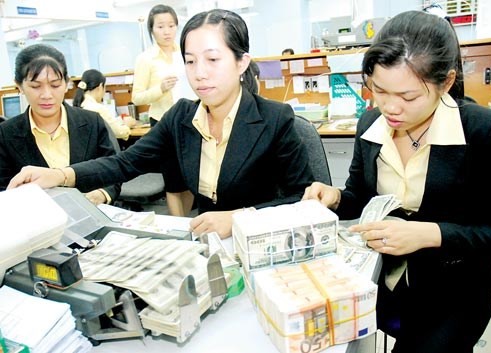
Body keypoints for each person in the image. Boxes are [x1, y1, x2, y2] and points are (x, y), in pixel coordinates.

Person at [8, 9, 314, 239]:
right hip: (208, 242)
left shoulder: (276, 118)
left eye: (212, 60)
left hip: (265, 241)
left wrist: (239, 218)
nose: (199, 73)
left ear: (241, 62)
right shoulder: (181, 117)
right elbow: (124, 163)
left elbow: (302, 200)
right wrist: (59, 175)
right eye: (191, 61)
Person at [302, 10, 491, 353]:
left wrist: (432, 233)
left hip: (453, 291)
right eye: (378, 90)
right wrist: (334, 197)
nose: (390, 108)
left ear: (447, 82)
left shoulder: (484, 133)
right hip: (383, 279)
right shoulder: (370, 125)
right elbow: (361, 197)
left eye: (408, 97)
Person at [0, 44, 121, 205]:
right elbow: (4, 189)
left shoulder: (92, 122)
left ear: (66, 83)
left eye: (55, 85)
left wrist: (101, 194)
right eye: (35, 86)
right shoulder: (5, 133)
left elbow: (113, 170)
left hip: (93, 215)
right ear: (19, 86)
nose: (47, 95)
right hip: (39, 222)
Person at [131, 4, 192, 127]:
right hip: (162, 121)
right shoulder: (145, 58)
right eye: (160, 27)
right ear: (152, 30)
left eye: (171, 26)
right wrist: (161, 89)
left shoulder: (186, 53)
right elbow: (136, 98)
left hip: (189, 116)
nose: (167, 31)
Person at [73, 69, 134, 141]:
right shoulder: (98, 108)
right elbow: (120, 132)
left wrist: (121, 120)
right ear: (100, 86)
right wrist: (128, 125)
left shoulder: (79, 105)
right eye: (105, 87)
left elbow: (109, 123)